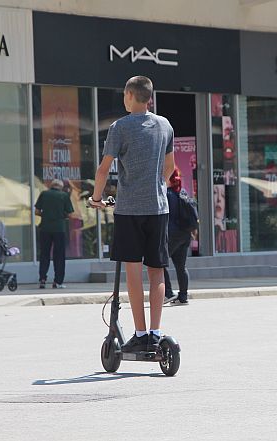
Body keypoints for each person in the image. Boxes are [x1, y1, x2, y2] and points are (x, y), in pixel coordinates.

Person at [89, 75, 175, 353]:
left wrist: (96, 198)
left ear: (129, 95)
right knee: (157, 271)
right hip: (159, 208)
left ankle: (140, 333)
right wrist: (156, 186)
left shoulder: (120, 127)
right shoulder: (164, 126)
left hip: (129, 210)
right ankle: (156, 331)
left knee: (133, 270)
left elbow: (103, 170)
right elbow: (170, 167)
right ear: (149, 97)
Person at [35, 179, 74, 289]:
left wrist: (47, 214)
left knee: (44, 255)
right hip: (59, 229)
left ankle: (42, 279)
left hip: (45, 228)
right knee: (59, 256)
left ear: (51, 186)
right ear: (60, 187)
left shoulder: (44, 194)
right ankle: (58, 282)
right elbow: (71, 214)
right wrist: (61, 215)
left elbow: (37, 211)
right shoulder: (64, 196)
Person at [163, 168, 193, 306]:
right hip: (185, 234)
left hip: (171, 234)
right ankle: (183, 296)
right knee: (181, 266)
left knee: (158, 263)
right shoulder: (183, 193)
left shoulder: (166, 194)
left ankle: (168, 293)